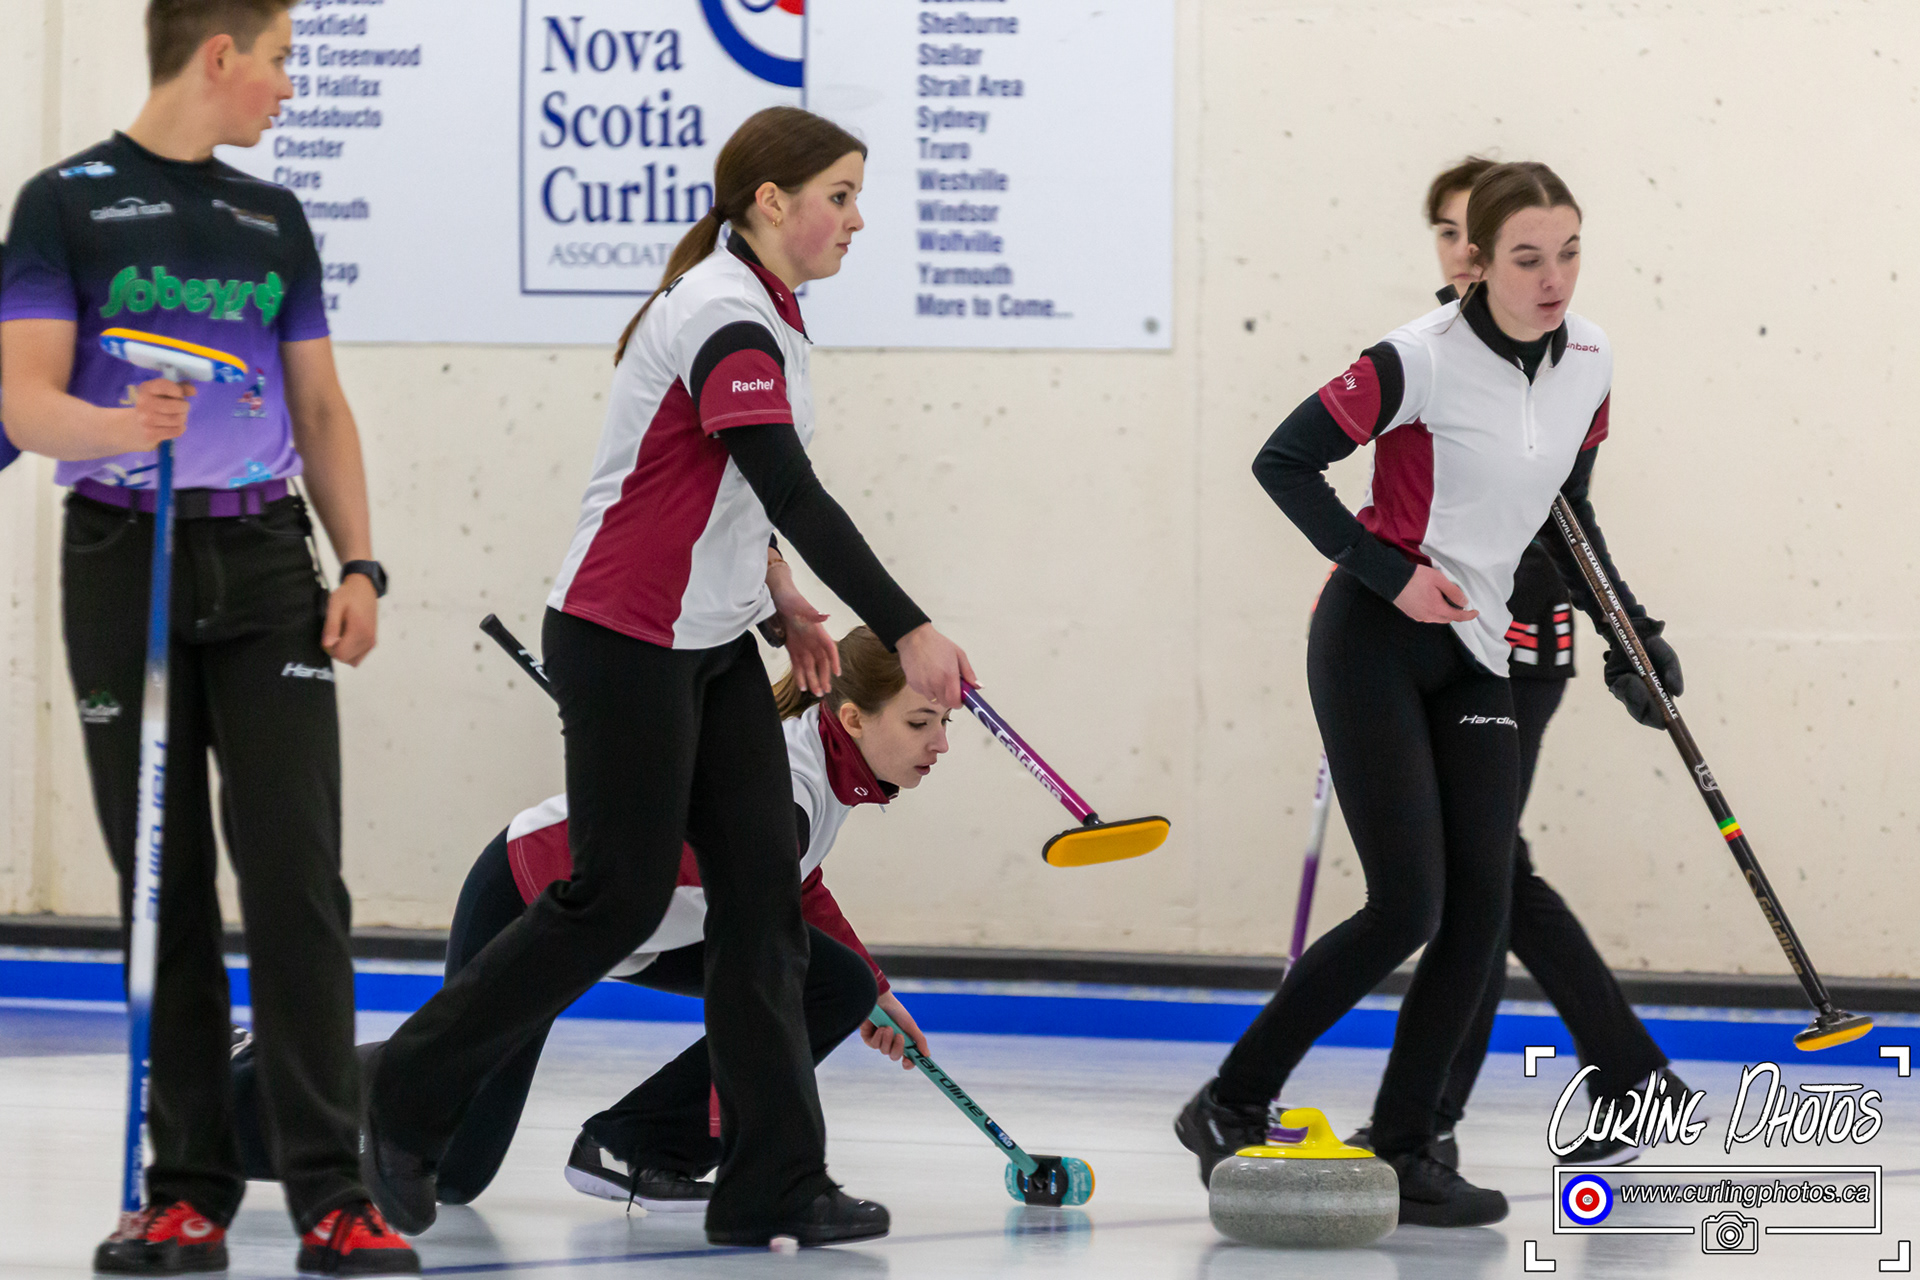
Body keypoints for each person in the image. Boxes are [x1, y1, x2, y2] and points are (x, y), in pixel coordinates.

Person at [359, 106, 974, 1250]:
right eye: (840, 195)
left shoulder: (767, 310)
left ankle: (771, 1183)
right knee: (619, 897)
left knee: (762, 908)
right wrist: (908, 624)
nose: (857, 219)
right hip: (623, 634)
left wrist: (778, 593)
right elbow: (791, 487)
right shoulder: (724, 315)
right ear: (771, 201)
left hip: (713, 640)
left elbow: (728, 489)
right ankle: (399, 1090)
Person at [1176, 161, 1684, 1227]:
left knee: (1482, 906)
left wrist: (1629, 633)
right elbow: (1282, 461)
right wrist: (1386, 570)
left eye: (1569, 253)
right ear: (1479, 262)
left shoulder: (1591, 362)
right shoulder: (1416, 357)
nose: (1554, 279)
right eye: (1527, 259)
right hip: (1375, 640)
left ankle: (1407, 1144)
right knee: (1408, 903)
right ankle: (1230, 1099)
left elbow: (1568, 515)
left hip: (1481, 651)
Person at [0, 1, 412, 1274]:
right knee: (162, 882)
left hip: (265, 557)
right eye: (280, 61)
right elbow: (24, 399)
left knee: (298, 878)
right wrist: (120, 425)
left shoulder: (271, 219)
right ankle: (183, 1192)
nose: (288, 88)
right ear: (219, 54)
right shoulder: (63, 204)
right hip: (122, 555)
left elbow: (320, 406)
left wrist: (358, 561)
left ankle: (334, 1191)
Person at [234, 625, 941, 1210]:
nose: (939, 744)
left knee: (837, 984)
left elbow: (795, 883)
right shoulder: (792, 775)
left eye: (943, 723)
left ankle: (634, 1146)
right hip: (534, 900)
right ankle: (231, 1101)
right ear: (853, 718)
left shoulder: (821, 775)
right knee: (451, 1168)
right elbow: (747, 917)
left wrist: (874, 992)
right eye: (919, 723)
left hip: (638, 931)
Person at [1341, 158, 1684, 1169]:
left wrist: (1630, 630)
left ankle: (1435, 1117)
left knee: (1480, 879)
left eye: (1471, 235)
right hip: (1434, 641)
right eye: (1446, 235)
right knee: (1492, 875)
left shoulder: (1557, 361)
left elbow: (1567, 519)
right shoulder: (1439, 356)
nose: (1460, 254)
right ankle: (1621, 1075)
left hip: (1512, 644)